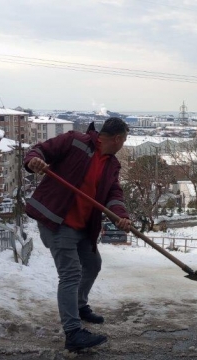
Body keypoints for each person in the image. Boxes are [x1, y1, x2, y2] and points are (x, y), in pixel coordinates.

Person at [24, 117, 132, 352]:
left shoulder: (111, 165)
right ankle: (73, 333)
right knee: (71, 274)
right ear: (118, 138)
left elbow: (114, 193)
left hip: (83, 226)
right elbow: (40, 149)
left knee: (92, 264)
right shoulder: (75, 141)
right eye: (124, 139)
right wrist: (34, 161)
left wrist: (120, 215)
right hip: (58, 221)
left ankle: (79, 305)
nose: (124, 143)